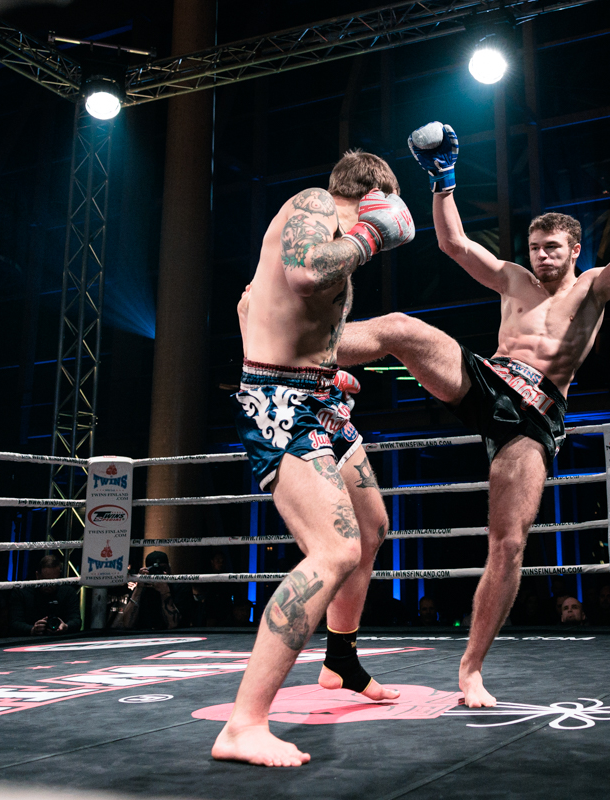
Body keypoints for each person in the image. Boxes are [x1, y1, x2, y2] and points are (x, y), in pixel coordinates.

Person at [331, 121, 610, 707]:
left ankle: (471, 669)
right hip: (487, 381)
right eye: (536, 247)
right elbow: (455, 245)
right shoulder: (513, 280)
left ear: (574, 250)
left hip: (535, 415)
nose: (542, 256)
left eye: (552, 248)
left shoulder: (592, 288)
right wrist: (442, 181)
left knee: (508, 544)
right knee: (402, 328)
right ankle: (302, 354)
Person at [212, 150, 415, 768]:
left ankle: (340, 660)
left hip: (317, 397)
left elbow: (249, 304)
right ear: (377, 194)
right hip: (280, 403)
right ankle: (244, 724)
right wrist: (371, 233)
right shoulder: (314, 204)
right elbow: (304, 275)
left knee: (372, 528)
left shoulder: (325, 232)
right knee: (335, 549)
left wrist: (321, 368)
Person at [111, 551, 190, 630]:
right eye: (154, 570)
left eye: (163, 569)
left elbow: (173, 624)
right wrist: (138, 588)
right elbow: (127, 624)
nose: (159, 573)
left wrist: (165, 592)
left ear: (169, 568)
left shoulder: (180, 586)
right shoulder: (143, 588)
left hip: (173, 635)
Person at [8, 554, 82, 636]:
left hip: (60, 639)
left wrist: (65, 626)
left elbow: (76, 620)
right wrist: (32, 629)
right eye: (45, 580)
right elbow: (14, 623)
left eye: (53, 581)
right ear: (37, 575)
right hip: (29, 640)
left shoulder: (67, 592)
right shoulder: (22, 592)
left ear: (59, 577)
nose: (48, 585)